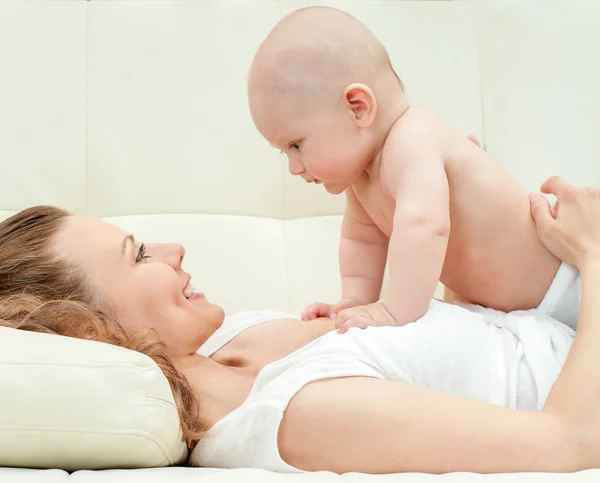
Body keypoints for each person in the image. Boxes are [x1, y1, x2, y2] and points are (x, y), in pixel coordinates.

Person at [1, 177, 599, 474]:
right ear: (86, 331)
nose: (173, 248)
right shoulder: (297, 415)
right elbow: (571, 442)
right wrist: (594, 257)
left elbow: (470, 357)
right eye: (137, 256)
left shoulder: (232, 336)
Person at [247, 6, 580, 332]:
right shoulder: (361, 179)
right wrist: (355, 301)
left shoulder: (413, 139)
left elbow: (425, 225)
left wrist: (395, 311)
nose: (293, 168)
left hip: (566, 287)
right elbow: (361, 242)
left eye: (296, 145)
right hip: (517, 314)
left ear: (358, 108)